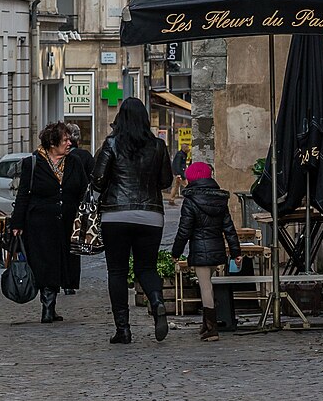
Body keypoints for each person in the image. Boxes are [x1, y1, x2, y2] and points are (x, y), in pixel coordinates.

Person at [90, 96, 174, 346]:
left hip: (116, 214)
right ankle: (157, 301)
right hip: (150, 215)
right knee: (145, 267)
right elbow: (166, 181)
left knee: (117, 271)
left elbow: (97, 180)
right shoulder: (158, 146)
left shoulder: (112, 144)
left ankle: (123, 329)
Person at [172, 158, 242, 341]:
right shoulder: (219, 199)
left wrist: (176, 253)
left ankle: (211, 329)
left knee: (205, 288)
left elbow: (184, 230)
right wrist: (236, 252)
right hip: (217, 250)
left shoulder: (190, 201)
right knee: (208, 285)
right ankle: (206, 325)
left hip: (200, 251)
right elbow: (229, 228)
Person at [10, 122, 70, 323]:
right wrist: (17, 224)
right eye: (65, 140)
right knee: (44, 264)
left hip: (62, 223)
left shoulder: (73, 162)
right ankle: (47, 306)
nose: (69, 143)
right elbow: (23, 195)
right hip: (38, 223)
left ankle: (49, 306)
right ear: (52, 143)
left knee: (56, 264)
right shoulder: (33, 163)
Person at [58, 121, 92, 294]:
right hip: (74, 211)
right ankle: (68, 283)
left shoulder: (75, 159)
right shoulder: (84, 156)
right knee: (72, 249)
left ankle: (57, 285)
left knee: (60, 249)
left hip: (69, 211)